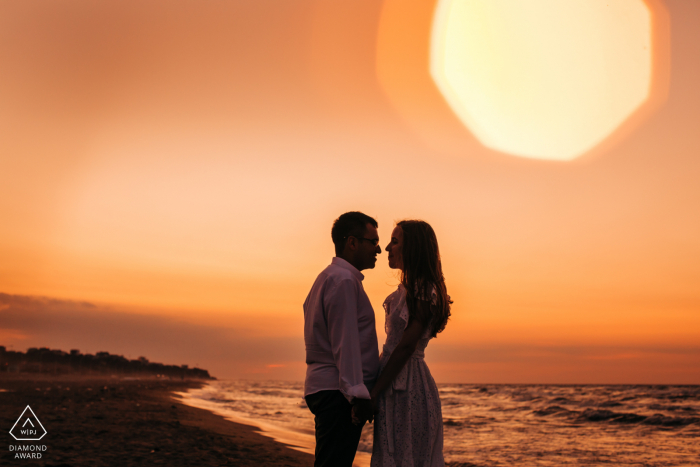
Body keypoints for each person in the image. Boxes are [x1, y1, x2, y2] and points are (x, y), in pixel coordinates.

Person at [358, 220, 452, 467]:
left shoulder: (422, 289)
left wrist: (375, 391)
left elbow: (407, 346)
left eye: (395, 241)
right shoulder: (408, 289)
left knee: (403, 454)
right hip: (396, 380)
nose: (387, 248)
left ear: (413, 248)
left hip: (406, 383)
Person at [303, 211, 382, 467]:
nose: (379, 250)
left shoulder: (328, 278)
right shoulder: (344, 281)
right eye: (373, 242)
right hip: (338, 392)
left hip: (329, 388)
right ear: (352, 242)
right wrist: (357, 394)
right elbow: (344, 341)